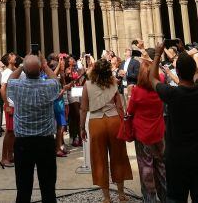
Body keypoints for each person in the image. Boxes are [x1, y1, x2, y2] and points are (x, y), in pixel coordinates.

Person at [149, 42, 198, 201]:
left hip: (177, 156)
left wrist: (157, 54)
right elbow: (197, 75)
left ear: (177, 71)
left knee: (176, 198)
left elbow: (152, 78)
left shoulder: (172, 94)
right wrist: (187, 55)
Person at [6, 53, 61, 203]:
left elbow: (10, 80)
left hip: (24, 143)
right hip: (45, 142)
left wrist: (22, 66)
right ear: (40, 70)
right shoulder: (49, 87)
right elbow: (56, 81)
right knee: (48, 187)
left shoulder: (17, 87)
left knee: (23, 188)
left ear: (24, 71)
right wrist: (44, 65)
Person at [80, 58, 132, 203]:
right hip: (114, 120)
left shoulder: (87, 85)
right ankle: (121, 194)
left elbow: (83, 109)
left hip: (96, 122)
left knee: (99, 159)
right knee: (119, 157)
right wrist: (124, 124)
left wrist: (81, 127)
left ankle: (107, 197)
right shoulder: (114, 83)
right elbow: (119, 106)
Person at [126, 52, 166, 203]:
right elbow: (160, 75)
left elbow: (129, 112)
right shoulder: (160, 89)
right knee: (161, 166)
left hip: (142, 135)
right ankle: (165, 196)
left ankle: (150, 199)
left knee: (146, 167)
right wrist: (153, 60)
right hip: (159, 133)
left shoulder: (137, 92)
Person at [0, 53, 16, 165]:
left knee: (13, 132)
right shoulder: (7, 73)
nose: (15, 56)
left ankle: (10, 155)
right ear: (9, 60)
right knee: (9, 132)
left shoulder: (13, 71)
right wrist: (7, 104)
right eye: (12, 55)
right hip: (10, 105)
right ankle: (4, 157)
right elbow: (2, 89)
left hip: (14, 104)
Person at [65, 56, 84, 147]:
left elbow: (79, 81)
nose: (73, 60)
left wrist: (82, 75)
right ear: (68, 62)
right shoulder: (67, 70)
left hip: (78, 90)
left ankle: (79, 137)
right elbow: (70, 80)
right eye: (71, 59)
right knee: (76, 114)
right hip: (71, 91)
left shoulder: (76, 69)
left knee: (78, 115)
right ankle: (75, 136)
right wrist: (79, 76)